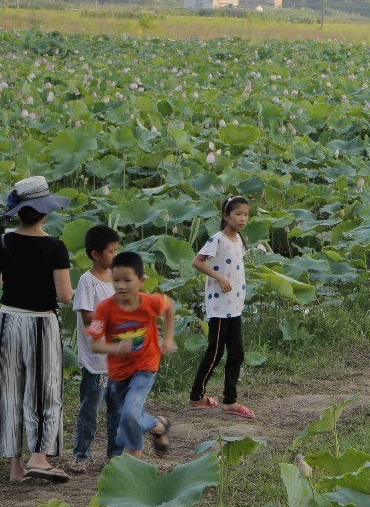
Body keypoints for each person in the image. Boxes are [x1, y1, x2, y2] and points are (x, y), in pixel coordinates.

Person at [0, 176, 73, 484]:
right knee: (44, 387)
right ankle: (39, 457)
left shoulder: (2, 241)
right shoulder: (55, 247)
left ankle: (15, 467)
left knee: (9, 388)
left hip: (9, 320)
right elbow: (64, 296)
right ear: (45, 211)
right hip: (41, 321)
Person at [87, 252, 175, 460]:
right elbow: (95, 344)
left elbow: (169, 306)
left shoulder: (149, 302)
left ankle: (136, 460)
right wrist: (115, 349)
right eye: (116, 280)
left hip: (146, 365)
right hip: (118, 372)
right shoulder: (104, 309)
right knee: (129, 415)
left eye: (127, 280)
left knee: (129, 414)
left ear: (141, 281)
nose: (121, 286)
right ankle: (158, 426)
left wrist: (168, 338)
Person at [188, 195, 255, 418]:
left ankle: (230, 400)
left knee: (237, 353)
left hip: (235, 305)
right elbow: (197, 261)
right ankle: (197, 396)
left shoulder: (239, 240)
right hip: (219, 306)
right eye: (238, 214)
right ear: (226, 216)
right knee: (215, 353)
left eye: (246, 214)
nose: (243, 218)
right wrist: (218, 277)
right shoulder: (217, 239)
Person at [72, 224, 120, 473]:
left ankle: (115, 455)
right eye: (111, 251)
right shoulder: (87, 282)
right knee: (90, 410)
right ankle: (81, 454)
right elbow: (89, 318)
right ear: (95, 254)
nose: (115, 256)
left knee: (117, 411)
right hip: (96, 360)